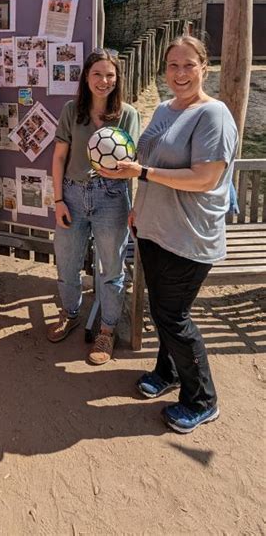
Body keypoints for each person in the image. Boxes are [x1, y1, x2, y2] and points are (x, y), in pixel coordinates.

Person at [101, 35, 238, 434]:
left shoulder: (213, 115)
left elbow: (204, 178)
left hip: (190, 236)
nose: (179, 74)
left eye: (188, 65)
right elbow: (146, 158)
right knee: (162, 308)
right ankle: (169, 371)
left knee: (172, 316)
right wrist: (134, 197)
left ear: (204, 68)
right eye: (173, 66)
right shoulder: (163, 108)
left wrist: (140, 173)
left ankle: (203, 400)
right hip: (153, 228)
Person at [47, 49, 141, 364]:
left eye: (110, 75)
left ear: (117, 79)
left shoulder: (127, 113)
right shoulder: (72, 110)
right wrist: (58, 199)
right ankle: (70, 312)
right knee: (67, 262)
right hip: (72, 195)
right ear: (86, 77)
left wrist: (123, 182)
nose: (103, 81)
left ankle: (107, 330)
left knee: (111, 270)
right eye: (97, 74)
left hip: (111, 197)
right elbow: (59, 157)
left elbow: (133, 165)